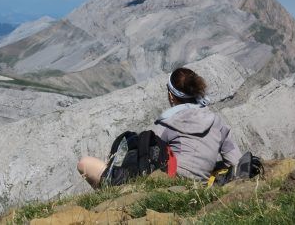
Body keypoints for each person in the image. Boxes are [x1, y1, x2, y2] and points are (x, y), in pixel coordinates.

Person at [77, 67, 242, 188]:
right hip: (202, 185)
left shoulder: (166, 124)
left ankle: (108, 196)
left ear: (171, 95)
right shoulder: (217, 122)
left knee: (85, 163)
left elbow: (146, 157)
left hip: (167, 184)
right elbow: (236, 162)